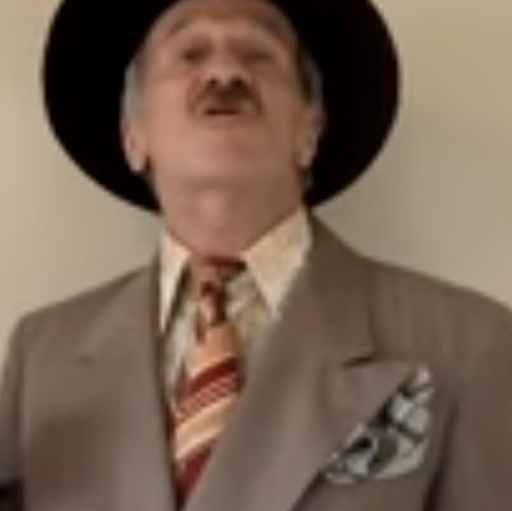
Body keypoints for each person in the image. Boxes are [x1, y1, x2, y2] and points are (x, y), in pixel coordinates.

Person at [1, 0, 511, 509]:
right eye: (190, 52)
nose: (224, 73)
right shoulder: (41, 356)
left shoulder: (468, 344)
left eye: (258, 53)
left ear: (310, 129)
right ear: (133, 136)